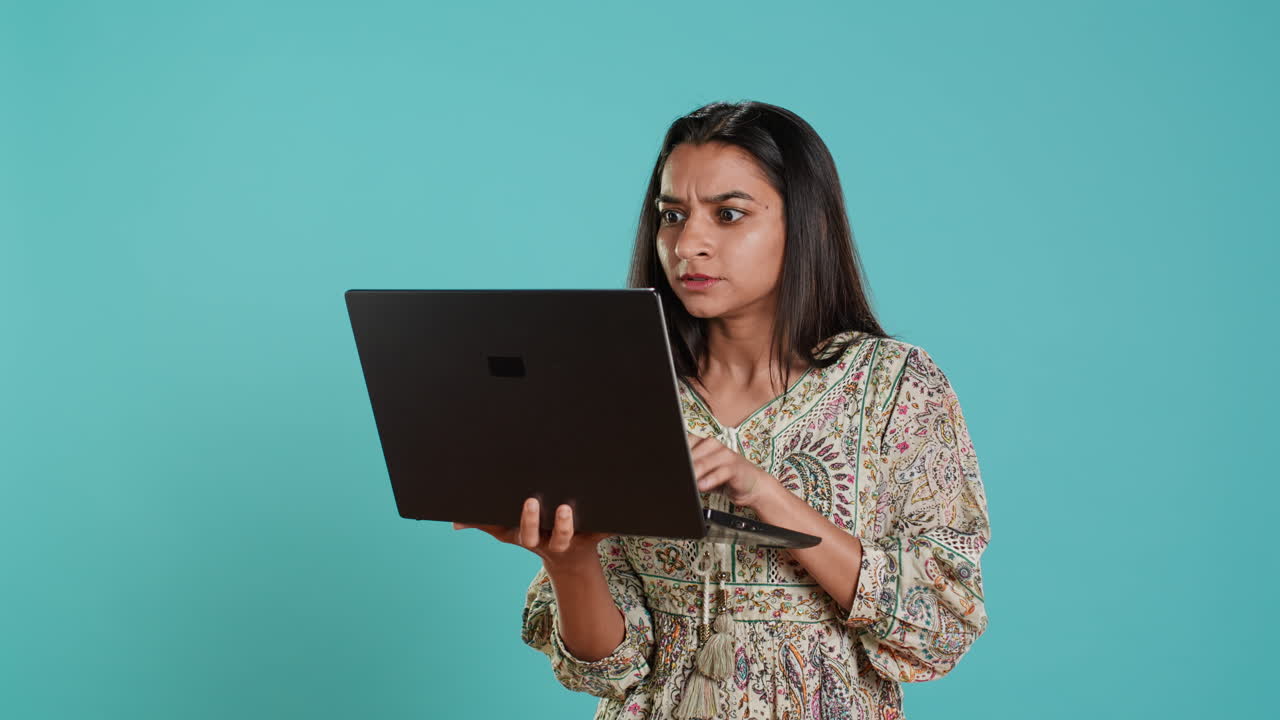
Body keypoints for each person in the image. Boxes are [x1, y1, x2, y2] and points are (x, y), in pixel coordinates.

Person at [452, 100, 991, 720]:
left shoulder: (894, 387)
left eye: (728, 215)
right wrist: (568, 559)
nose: (689, 244)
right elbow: (607, 668)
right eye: (672, 215)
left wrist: (766, 495)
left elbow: (939, 626)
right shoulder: (613, 389)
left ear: (808, 223)